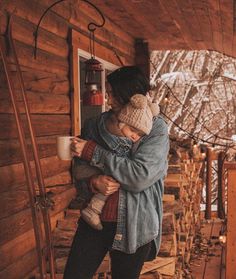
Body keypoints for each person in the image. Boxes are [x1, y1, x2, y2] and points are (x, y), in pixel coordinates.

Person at [63, 66, 169, 279]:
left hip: (136, 223)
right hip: (94, 219)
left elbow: (139, 176)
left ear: (130, 96)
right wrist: (94, 181)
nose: (107, 99)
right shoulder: (94, 124)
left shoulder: (155, 129)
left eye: (112, 94)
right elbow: (79, 169)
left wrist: (93, 151)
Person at [79, 94, 160, 230]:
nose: (135, 136)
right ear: (122, 122)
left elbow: (136, 175)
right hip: (110, 204)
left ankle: (93, 209)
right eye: (132, 130)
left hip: (126, 212)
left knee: (117, 177)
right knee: (116, 176)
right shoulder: (111, 137)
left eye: (139, 135)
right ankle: (93, 208)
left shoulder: (142, 139)